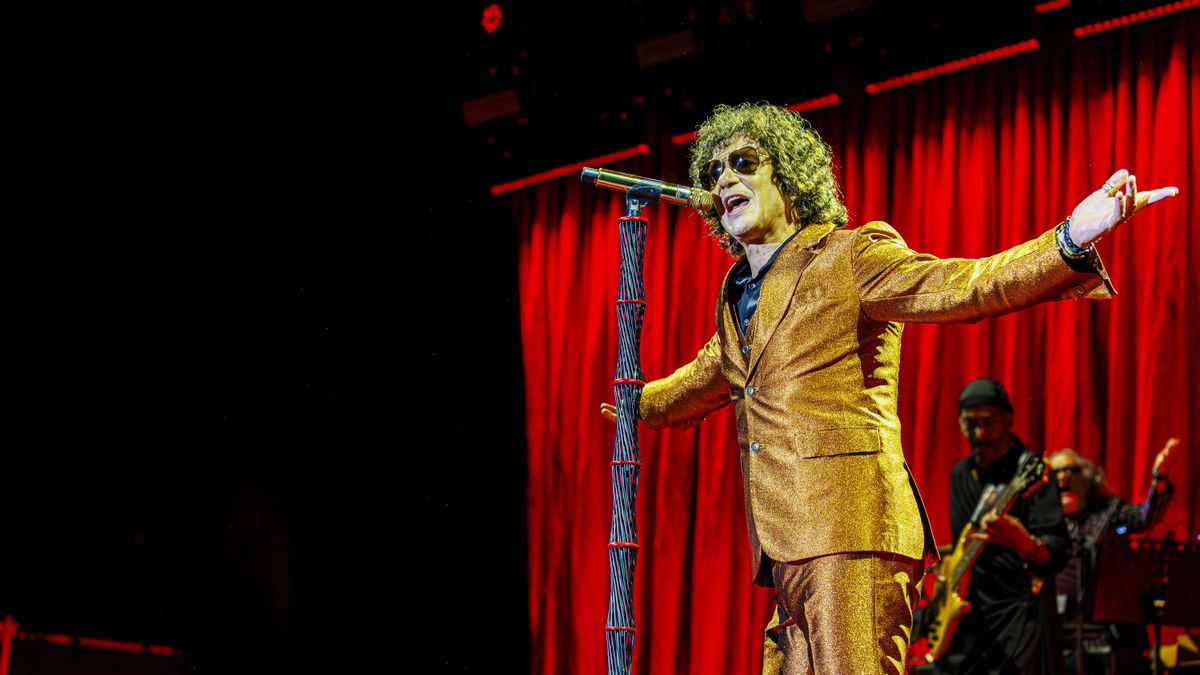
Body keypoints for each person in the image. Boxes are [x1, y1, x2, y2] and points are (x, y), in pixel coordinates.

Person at [598, 101, 1179, 673]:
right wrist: (634, 405)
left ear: (791, 179)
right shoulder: (736, 299)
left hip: (852, 534)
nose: (724, 178)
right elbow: (695, 384)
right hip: (783, 555)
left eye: (744, 162)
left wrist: (1069, 241)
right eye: (712, 172)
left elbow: (964, 286)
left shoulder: (850, 256)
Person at [942, 378, 1070, 675]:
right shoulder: (961, 474)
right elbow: (962, 541)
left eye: (990, 422)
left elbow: (1059, 549)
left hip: (1019, 614)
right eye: (970, 424)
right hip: (970, 616)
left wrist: (1024, 542)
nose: (980, 434)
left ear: (1010, 421)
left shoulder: (1031, 470)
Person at [1048, 438, 1178, 674]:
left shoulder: (1107, 512)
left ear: (1088, 479)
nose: (1063, 477)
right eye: (1055, 472)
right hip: (1054, 631)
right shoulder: (1041, 523)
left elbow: (1144, 517)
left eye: (1071, 470)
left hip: (1103, 632)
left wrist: (1158, 480)